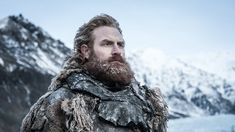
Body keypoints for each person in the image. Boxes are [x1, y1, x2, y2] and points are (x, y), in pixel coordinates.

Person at [20, 14, 168, 132]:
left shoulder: (145, 100)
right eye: (107, 44)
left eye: (120, 44)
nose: (117, 51)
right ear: (86, 51)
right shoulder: (61, 103)